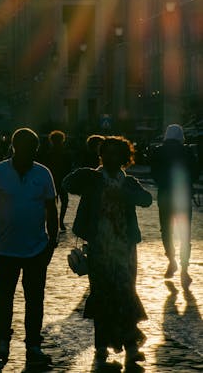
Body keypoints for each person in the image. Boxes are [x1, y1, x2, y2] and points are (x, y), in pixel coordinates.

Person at [63, 135, 152, 368]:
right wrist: (85, 171)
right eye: (106, 152)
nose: (111, 157)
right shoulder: (93, 179)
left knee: (126, 293)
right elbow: (67, 184)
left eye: (116, 153)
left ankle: (131, 348)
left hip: (125, 248)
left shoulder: (128, 182)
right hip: (99, 247)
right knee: (101, 295)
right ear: (100, 155)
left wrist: (123, 194)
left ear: (124, 157)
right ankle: (101, 347)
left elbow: (147, 200)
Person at [0, 127, 58, 369]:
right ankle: (3, 341)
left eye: (33, 148)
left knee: (35, 299)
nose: (30, 152)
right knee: (5, 298)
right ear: (14, 147)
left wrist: (52, 244)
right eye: (25, 147)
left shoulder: (43, 174)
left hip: (37, 248)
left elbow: (51, 211)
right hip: (6, 248)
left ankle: (33, 344)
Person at [150, 123, 199, 286]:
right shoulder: (187, 151)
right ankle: (185, 269)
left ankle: (171, 260)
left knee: (166, 230)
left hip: (165, 196)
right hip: (183, 196)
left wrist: (164, 183)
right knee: (185, 233)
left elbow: (154, 173)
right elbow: (196, 172)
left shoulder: (158, 151)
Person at [40, 130, 72, 231]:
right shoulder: (66, 153)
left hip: (52, 180)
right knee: (64, 201)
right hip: (63, 180)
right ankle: (60, 221)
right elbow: (69, 168)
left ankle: (52, 221)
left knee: (52, 203)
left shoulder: (48, 154)